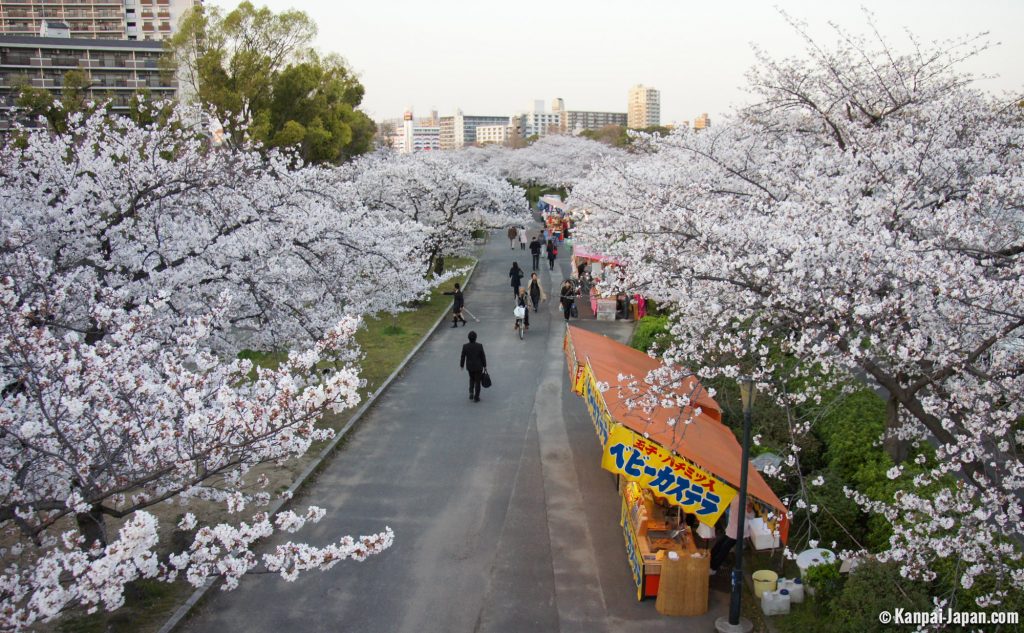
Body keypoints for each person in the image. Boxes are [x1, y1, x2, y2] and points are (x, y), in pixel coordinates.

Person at [460, 330, 487, 402]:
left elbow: (463, 356)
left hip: (470, 367)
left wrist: (462, 365)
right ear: (476, 338)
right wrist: (485, 365)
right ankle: (476, 397)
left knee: (471, 378)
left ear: (468, 338)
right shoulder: (479, 346)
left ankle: (471, 391)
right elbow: (482, 356)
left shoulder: (465, 346)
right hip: (478, 367)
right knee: (477, 381)